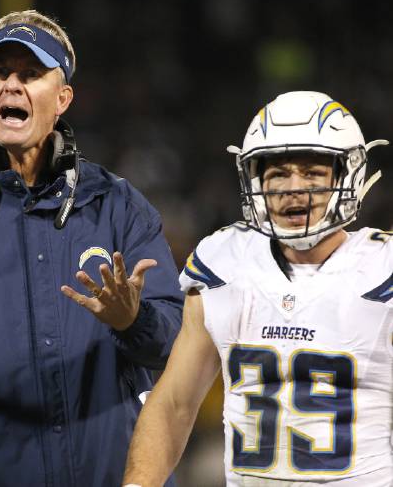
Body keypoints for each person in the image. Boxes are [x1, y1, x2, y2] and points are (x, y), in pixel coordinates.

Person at [0, 10, 183, 487]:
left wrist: (134, 320)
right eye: (0, 72)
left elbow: (172, 342)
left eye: (30, 74)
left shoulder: (117, 207)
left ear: (63, 98)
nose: (13, 85)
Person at [123, 91, 392, 486]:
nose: (293, 188)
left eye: (312, 172)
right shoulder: (225, 263)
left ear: (346, 174)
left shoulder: (382, 268)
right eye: (278, 173)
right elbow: (173, 405)